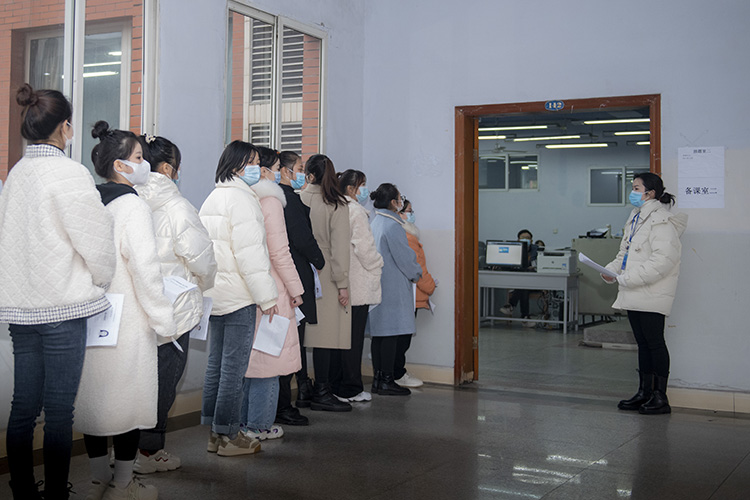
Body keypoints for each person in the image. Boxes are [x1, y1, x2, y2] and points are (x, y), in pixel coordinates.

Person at [0, 85, 115, 500]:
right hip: (63, 309)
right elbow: (95, 240)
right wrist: (101, 280)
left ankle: (21, 490)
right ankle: (55, 495)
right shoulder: (70, 173)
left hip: (22, 308)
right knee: (60, 412)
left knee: (22, 408)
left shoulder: (16, 174)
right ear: (65, 127)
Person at [75, 120, 177, 500]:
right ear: (120, 165)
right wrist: (163, 317)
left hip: (92, 315)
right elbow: (145, 270)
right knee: (128, 403)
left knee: (95, 401)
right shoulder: (133, 206)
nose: (143, 162)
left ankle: (97, 480)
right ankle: (122, 484)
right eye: (137, 156)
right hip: (128, 318)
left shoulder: (89, 202)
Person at [133, 134, 217, 473]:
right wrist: (201, 284)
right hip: (172, 309)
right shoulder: (178, 207)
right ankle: (149, 452)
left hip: (138, 306)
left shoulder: (130, 200)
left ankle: (125, 452)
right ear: (168, 168)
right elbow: (202, 258)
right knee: (164, 381)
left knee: (137, 381)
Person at [199, 141, 279, 456]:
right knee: (233, 370)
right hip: (239, 297)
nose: (258, 168)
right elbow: (251, 256)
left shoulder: (213, 196)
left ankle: (215, 433)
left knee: (216, 365)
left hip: (215, 295)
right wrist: (267, 297)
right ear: (236, 166)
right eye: (254, 162)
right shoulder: (244, 200)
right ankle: (229, 436)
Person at [602, 172, 687, 415]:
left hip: (652, 292)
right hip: (634, 291)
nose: (632, 192)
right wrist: (610, 270)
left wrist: (628, 278)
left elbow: (663, 261)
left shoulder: (661, 221)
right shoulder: (636, 217)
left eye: (636, 188)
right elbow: (625, 254)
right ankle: (644, 392)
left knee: (655, 343)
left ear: (650, 193)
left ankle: (660, 397)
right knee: (643, 343)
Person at [238, 149, 304, 440]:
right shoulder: (272, 201)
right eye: (276, 167)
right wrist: (296, 289)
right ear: (264, 170)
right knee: (269, 360)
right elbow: (280, 252)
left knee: (250, 362)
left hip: (248, 289)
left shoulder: (242, 196)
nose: (278, 173)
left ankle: (243, 424)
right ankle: (260, 425)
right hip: (272, 288)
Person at [274, 151, 325, 425]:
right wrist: (319, 259)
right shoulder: (287, 200)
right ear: (285, 171)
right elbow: (302, 238)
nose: (302, 174)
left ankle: (282, 402)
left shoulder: (276, 198)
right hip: (293, 277)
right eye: (299, 168)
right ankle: (283, 406)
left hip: (284, 277)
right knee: (289, 341)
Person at [299, 154, 353, 412]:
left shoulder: (296, 198)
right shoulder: (336, 204)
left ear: (308, 174)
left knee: (300, 333)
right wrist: (342, 283)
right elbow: (340, 249)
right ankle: (322, 389)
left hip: (300, 270)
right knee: (326, 335)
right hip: (326, 271)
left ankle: (302, 388)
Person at [330, 170, 383, 403]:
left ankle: (336, 385)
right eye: (362, 185)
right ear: (351, 189)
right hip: (357, 285)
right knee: (353, 339)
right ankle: (351, 388)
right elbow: (365, 248)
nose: (365, 190)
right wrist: (378, 264)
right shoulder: (356, 212)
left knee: (339, 339)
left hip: (339, 282)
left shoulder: (335, 207)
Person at [368, 184, 422, 396]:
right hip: (393, 288)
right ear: (393, 202)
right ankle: (387, 380)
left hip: (379, 286)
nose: (401, 202)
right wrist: (416, 273)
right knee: (391, 334)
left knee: (380, 336)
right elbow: (405, 259)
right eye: (400, 198)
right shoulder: (392, 226)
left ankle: (378, 379)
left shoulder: (376, 222)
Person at [396, 199, 436, 388]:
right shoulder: (407, 238)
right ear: (399, 213)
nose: (412, 215)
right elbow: (417, 269)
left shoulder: (405, 235)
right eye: (409, 211)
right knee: (401, 340)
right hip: (410, 296)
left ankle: (394, 373)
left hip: (408, 295)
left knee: (399, 339)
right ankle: (397, 374)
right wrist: (430, 287)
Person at [500, 229, 538, 327]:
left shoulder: (535, 249)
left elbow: (537, 263)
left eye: (528, 238)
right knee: (523, 287)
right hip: (520, 282)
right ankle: (525, 318)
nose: (525, 239)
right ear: (518, 240)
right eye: (523, 238)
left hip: (535, 281)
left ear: (532, 240)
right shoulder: (514, 249)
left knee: (523, 284)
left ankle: (511, 305)